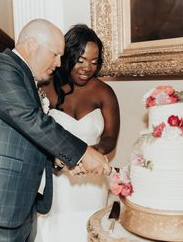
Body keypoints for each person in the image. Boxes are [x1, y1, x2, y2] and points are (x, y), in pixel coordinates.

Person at [0, 19, 111, 242]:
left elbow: (26, 137)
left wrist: (61, 160)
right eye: (55, 54)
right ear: (31, 44)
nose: (59, 63)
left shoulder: (26, 78)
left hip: (22, 205)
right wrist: (83, 152)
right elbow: (30, 120)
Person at [35, 24, 120, 241]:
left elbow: (110, 137)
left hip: (92, 180)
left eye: (94, 62)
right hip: (58, 181)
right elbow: (36, 132)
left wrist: (91, 153)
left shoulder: (104, 92)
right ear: (66, 56)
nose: (87, 68)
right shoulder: (44, 89)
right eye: (80, 60)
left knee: (90, 231)